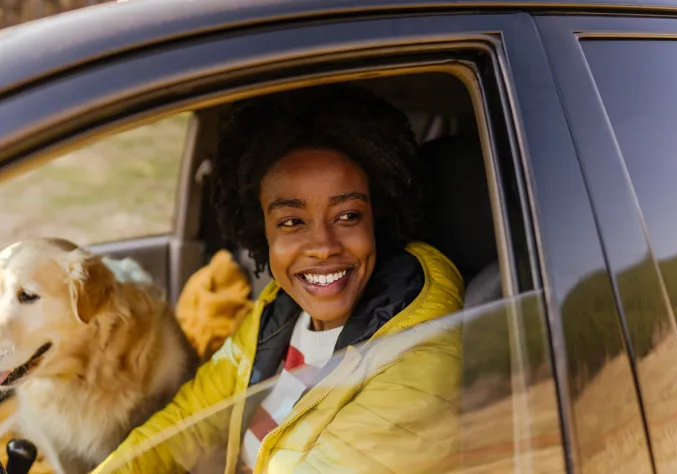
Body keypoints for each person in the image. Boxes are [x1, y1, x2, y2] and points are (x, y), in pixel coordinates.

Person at [93, 84, 464, 474]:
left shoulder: (420, 359)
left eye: (348, 215)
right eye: (291, 222)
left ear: (378, 218)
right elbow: (187, 425)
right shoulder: (278, 312)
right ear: (262, 232)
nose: (322, 246)